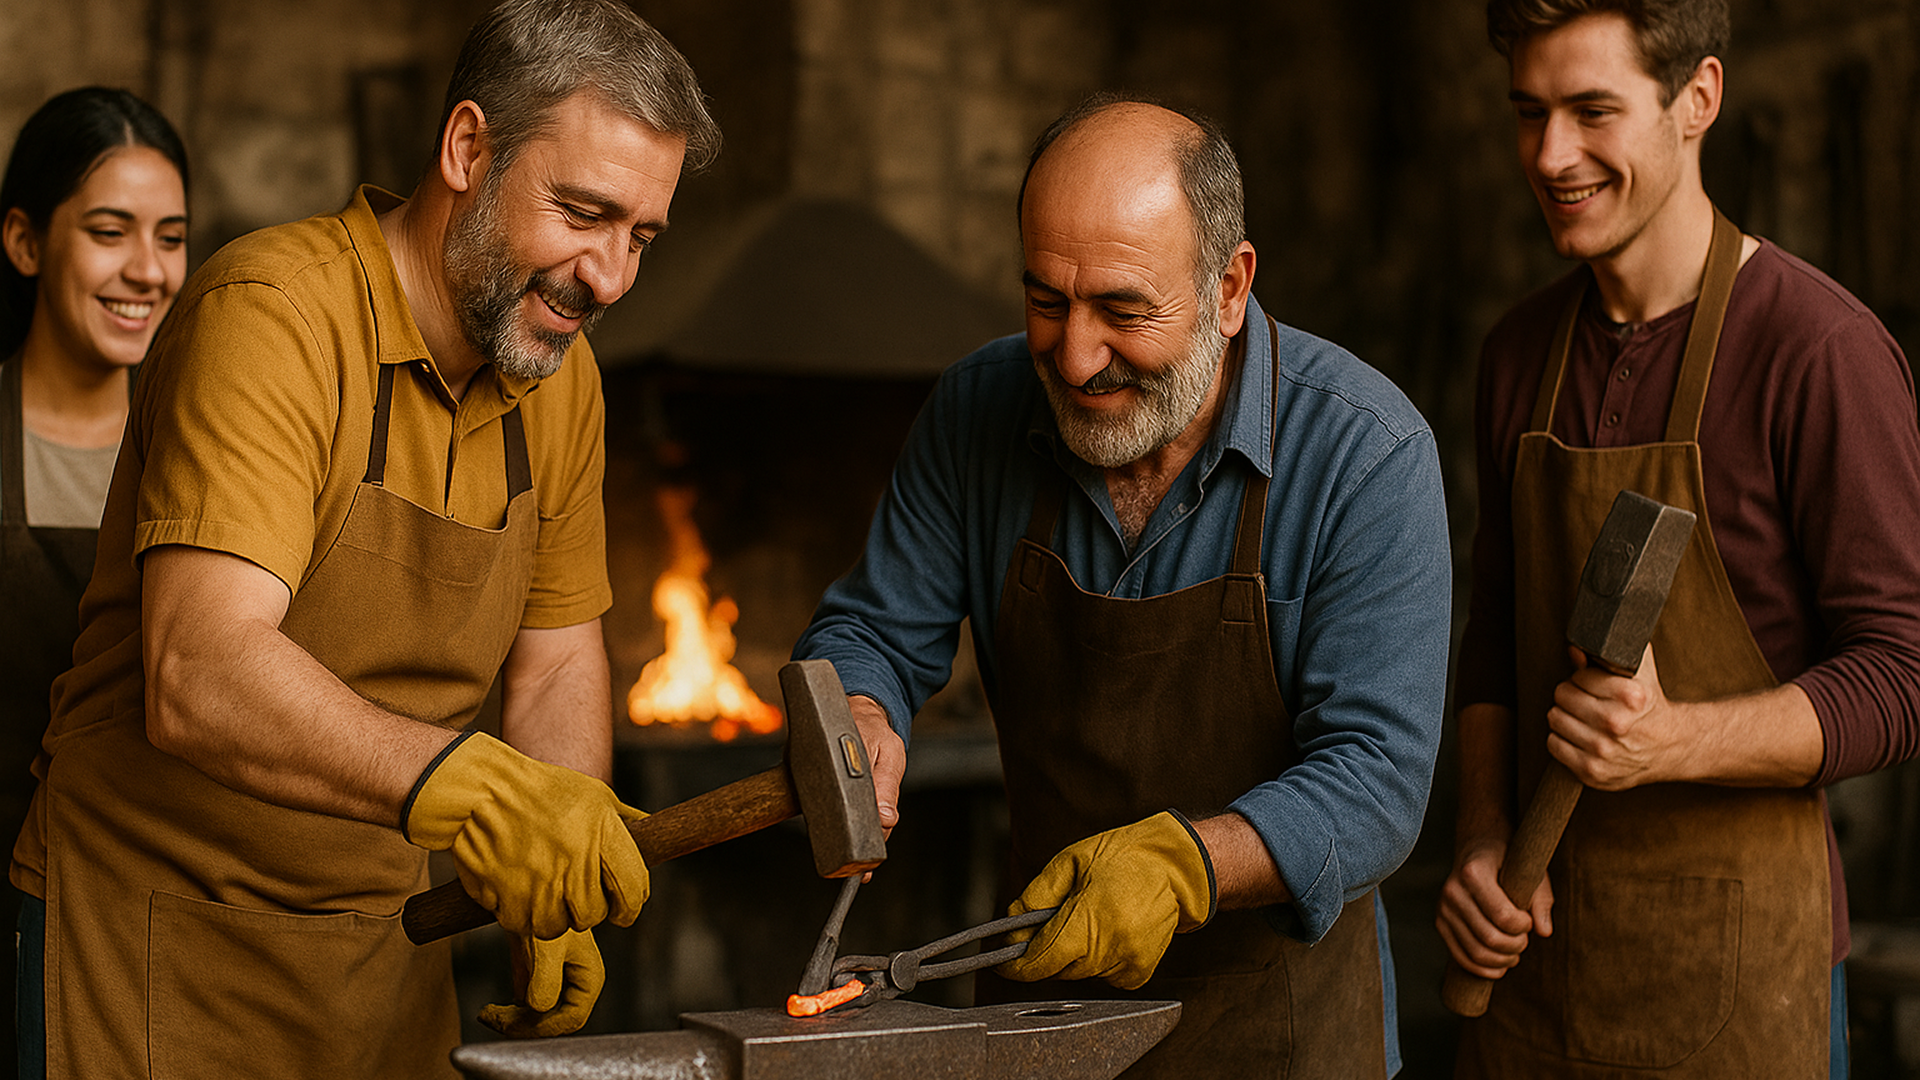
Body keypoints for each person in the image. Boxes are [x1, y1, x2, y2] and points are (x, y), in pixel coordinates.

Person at [8, 1, 721, 1076]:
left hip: (381, 962)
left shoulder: (564, 381)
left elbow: (559, 653)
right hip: (144, 953)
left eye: (641, 236)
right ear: (468, 148)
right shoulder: (271, 317)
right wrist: (477, 788)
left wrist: (554, 874)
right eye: (583, 213)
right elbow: (199, 668)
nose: (611, 276)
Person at [795, 95, 1452, 1079]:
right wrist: (858, 710)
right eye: (1046, 301)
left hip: (1285, 1035)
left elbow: (1376, 783)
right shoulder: (980, 409)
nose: (1075, 355)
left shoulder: (1367, 454)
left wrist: (1186, 863)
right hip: (1039, 1018)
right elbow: (873, 631)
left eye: (1123, 309)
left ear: (1229, 289)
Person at [1438, 1, 1920, 1076]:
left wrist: (1673, 742)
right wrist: (1478, 840)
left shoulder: (1821, 351)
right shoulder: (1516, 355)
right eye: (1529, 112)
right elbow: (1495, 644)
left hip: (1748, 983)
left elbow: (1905, 677)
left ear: (1697, 98)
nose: (1551, 155)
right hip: (1532, 970)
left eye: (1591, 110)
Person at [0, 86, 188, 1080]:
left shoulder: (201, 453)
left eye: (171, 236)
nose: (148, 271)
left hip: (142, 928)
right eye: (109, 233)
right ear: (26, 243)